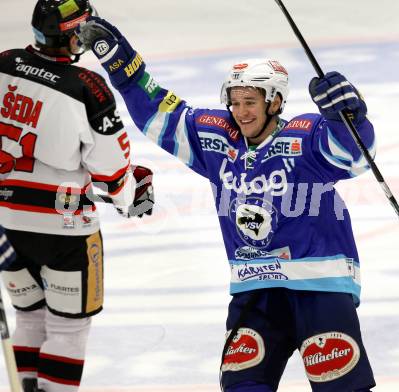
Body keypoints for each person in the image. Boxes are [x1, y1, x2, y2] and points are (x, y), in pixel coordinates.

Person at [76, 16, 377, 392]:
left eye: (250, 102)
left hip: (320, 284)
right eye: (234, 102)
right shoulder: (217, 137)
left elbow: (355, 156)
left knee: (340, 386)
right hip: (255, 287)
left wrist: (349, 116)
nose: (240, 111)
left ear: (276, 101)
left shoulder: (307, 135)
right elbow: (157, 113)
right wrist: (120, 62)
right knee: (240, 384)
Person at [0, 1, 154, 391]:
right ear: (69, 36)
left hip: (5, 226)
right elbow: (112, 175)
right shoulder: (88, 87)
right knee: (68, 328)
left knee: (29, 318)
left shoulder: (2, 63)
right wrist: (132, 195)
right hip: (65, 232)